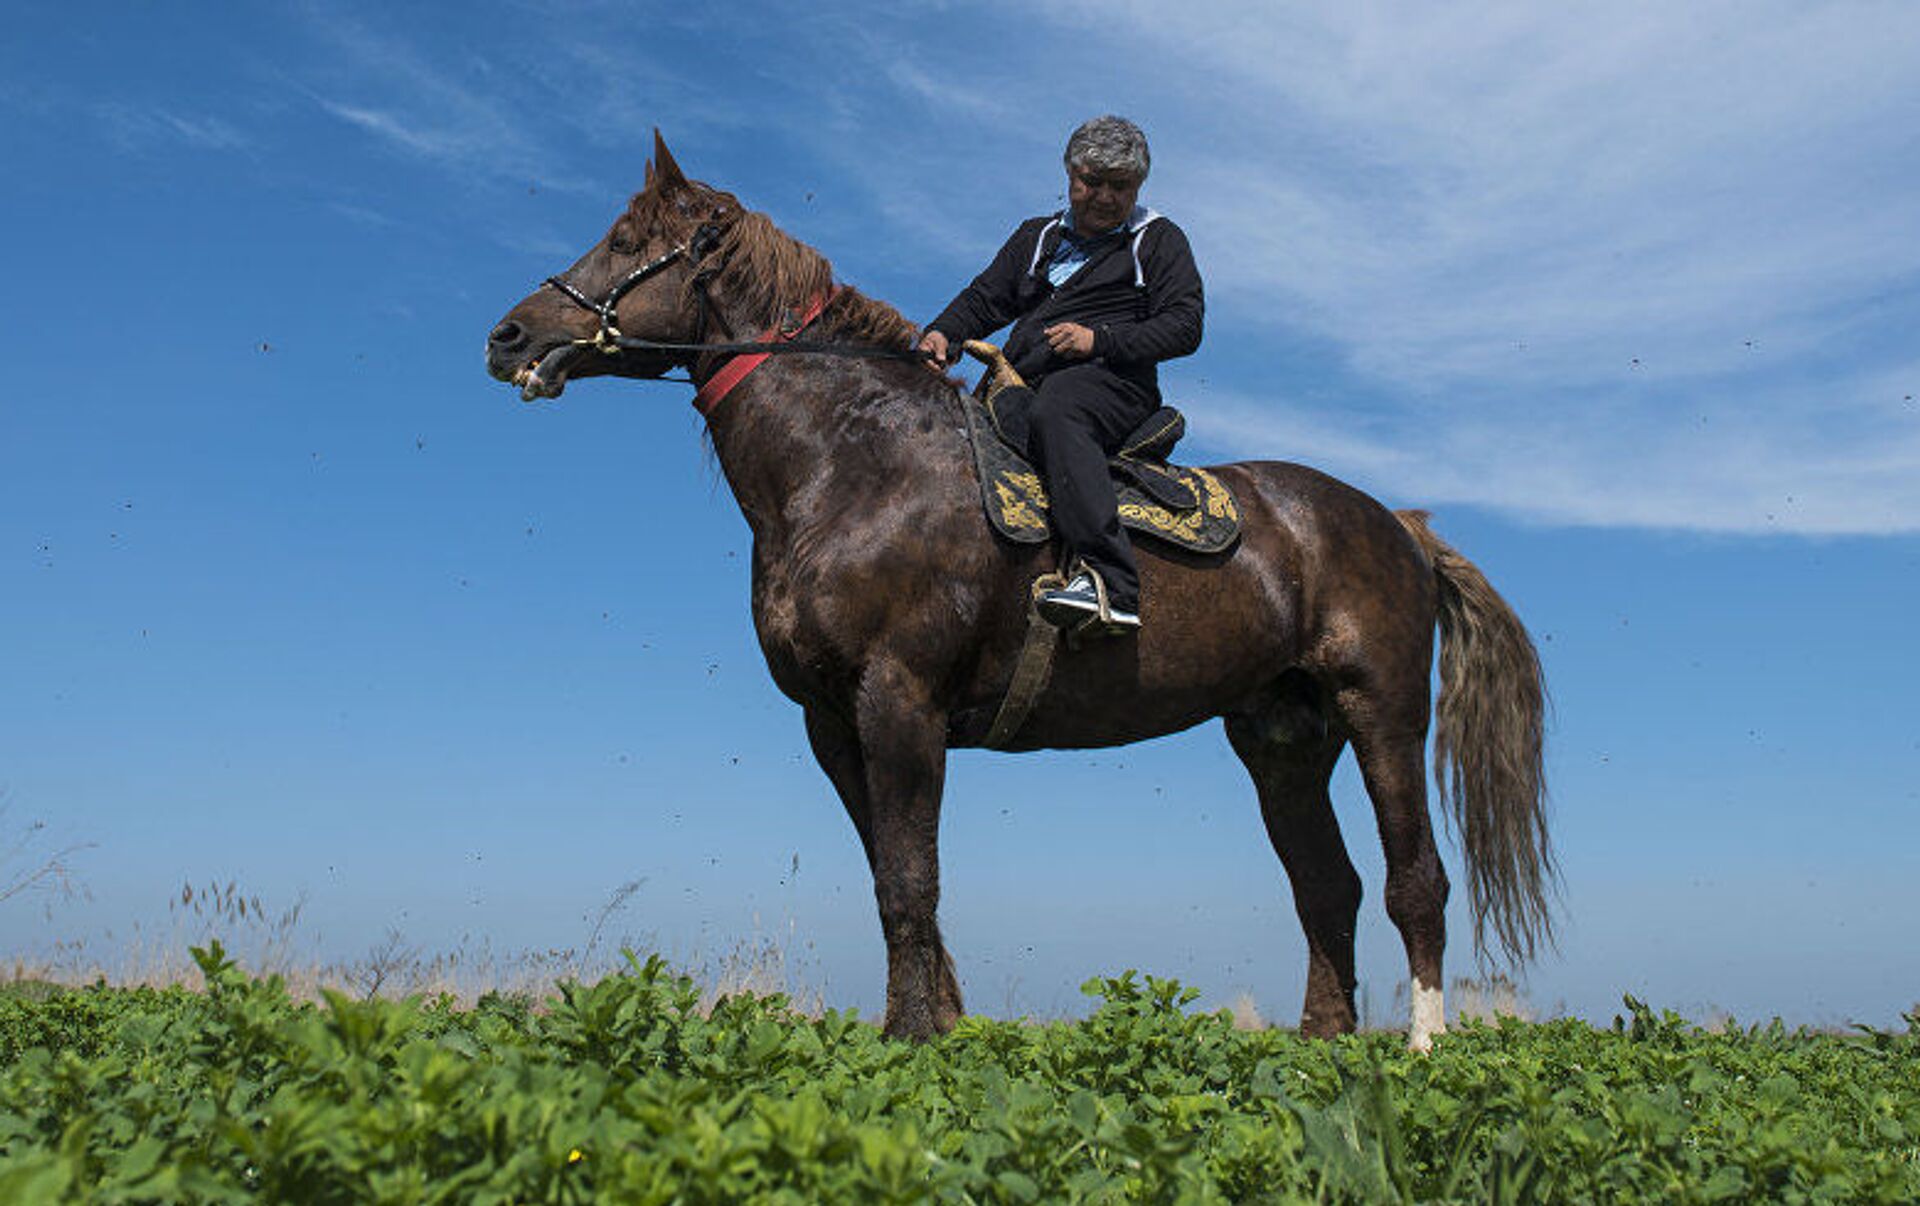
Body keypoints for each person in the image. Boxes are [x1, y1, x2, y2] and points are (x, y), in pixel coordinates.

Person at [919, 115, 1204, 632]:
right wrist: (943, 333)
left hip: (1113, 385)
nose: (1104, 197)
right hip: (1021, 386)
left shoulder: (1156, 240)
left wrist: (1100, 340)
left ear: (1138, 187)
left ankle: (1110, 583)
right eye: (1092, 181)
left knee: (1060, 407)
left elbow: (1185, 325)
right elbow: (986, 298)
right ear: (1070, 174)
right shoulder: (1037, 237)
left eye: (1120, 186)